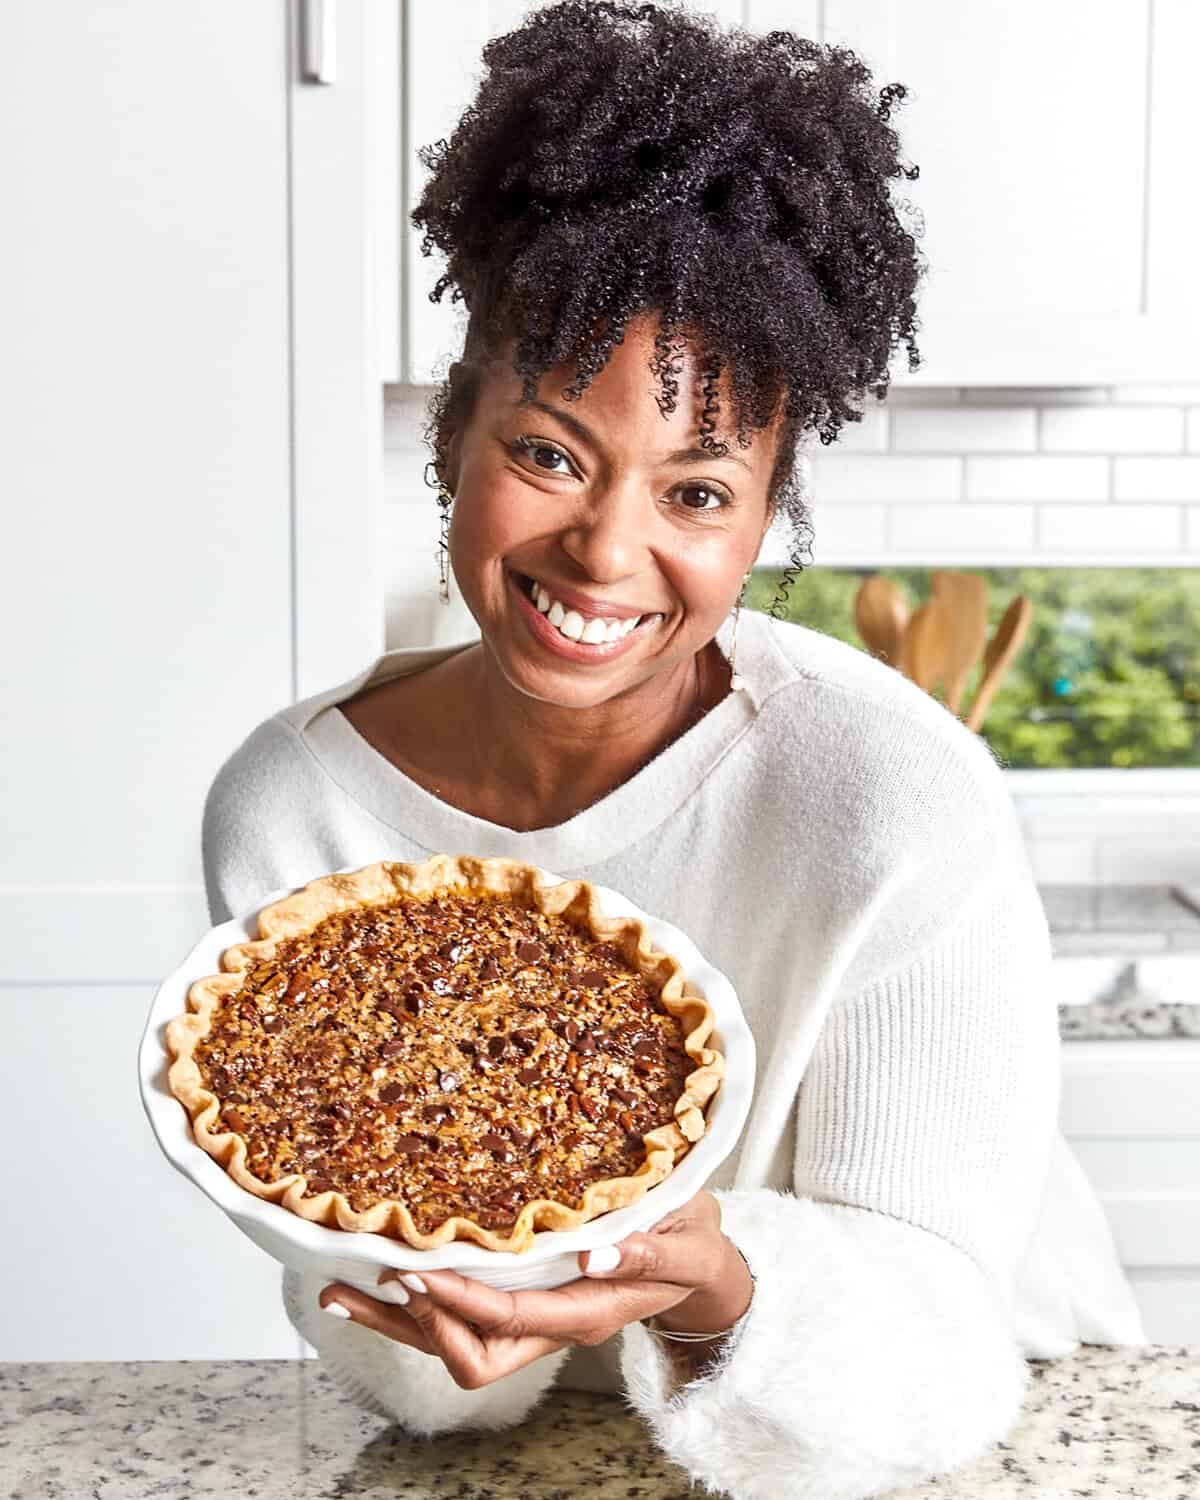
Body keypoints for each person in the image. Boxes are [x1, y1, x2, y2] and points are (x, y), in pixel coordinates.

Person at [200, 5, 1146, 1496]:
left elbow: (940, 1337)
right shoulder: (297, 812)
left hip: (976, 1433)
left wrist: (713, 1282)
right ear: (454, 435)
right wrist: (423, 1315)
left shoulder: (891, 796)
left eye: (698, 492)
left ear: (767, 517)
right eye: (549, 453)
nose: (606, 550)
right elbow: (341, 1225)